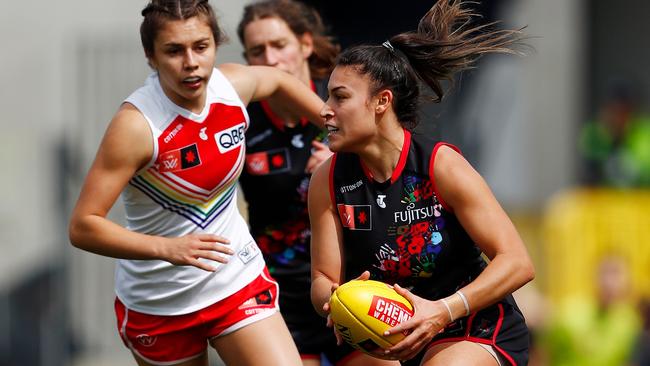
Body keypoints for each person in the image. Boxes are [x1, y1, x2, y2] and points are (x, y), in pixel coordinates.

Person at [67, 1, 326, 365]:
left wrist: (335, 129)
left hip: (236, 280)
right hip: (158, 303)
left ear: (215, 45)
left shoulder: (232, 86)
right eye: (174, 50)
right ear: (150, 56)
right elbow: (83, 226)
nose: (191, 62)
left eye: (201, 47)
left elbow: (281, 80)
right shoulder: (136, 126)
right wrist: (168, 248)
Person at [308, 0, 535, 365]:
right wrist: (336, 300)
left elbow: (518, 262)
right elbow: (322, 276)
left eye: (340, 97)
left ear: (382, 102)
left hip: (469, 325)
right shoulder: (328, 178)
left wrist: (442, 311)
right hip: (388, 333)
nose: (324, 109)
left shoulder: (440, 165)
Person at [236, 2, 397, 365]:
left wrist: (344, 165)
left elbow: (398, 171)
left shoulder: (346, 105)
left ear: (306, 44)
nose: (270, 58)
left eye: (279, 45)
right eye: (257, 50)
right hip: (279, 298)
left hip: (358, 285)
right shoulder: (241, 123)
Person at [541, 256, 641, 366]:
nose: (610, 282)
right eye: (606, 273)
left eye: (617, 274)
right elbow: (543, 354)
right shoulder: (569, 312)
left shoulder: (629, 321)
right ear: (594, 276)